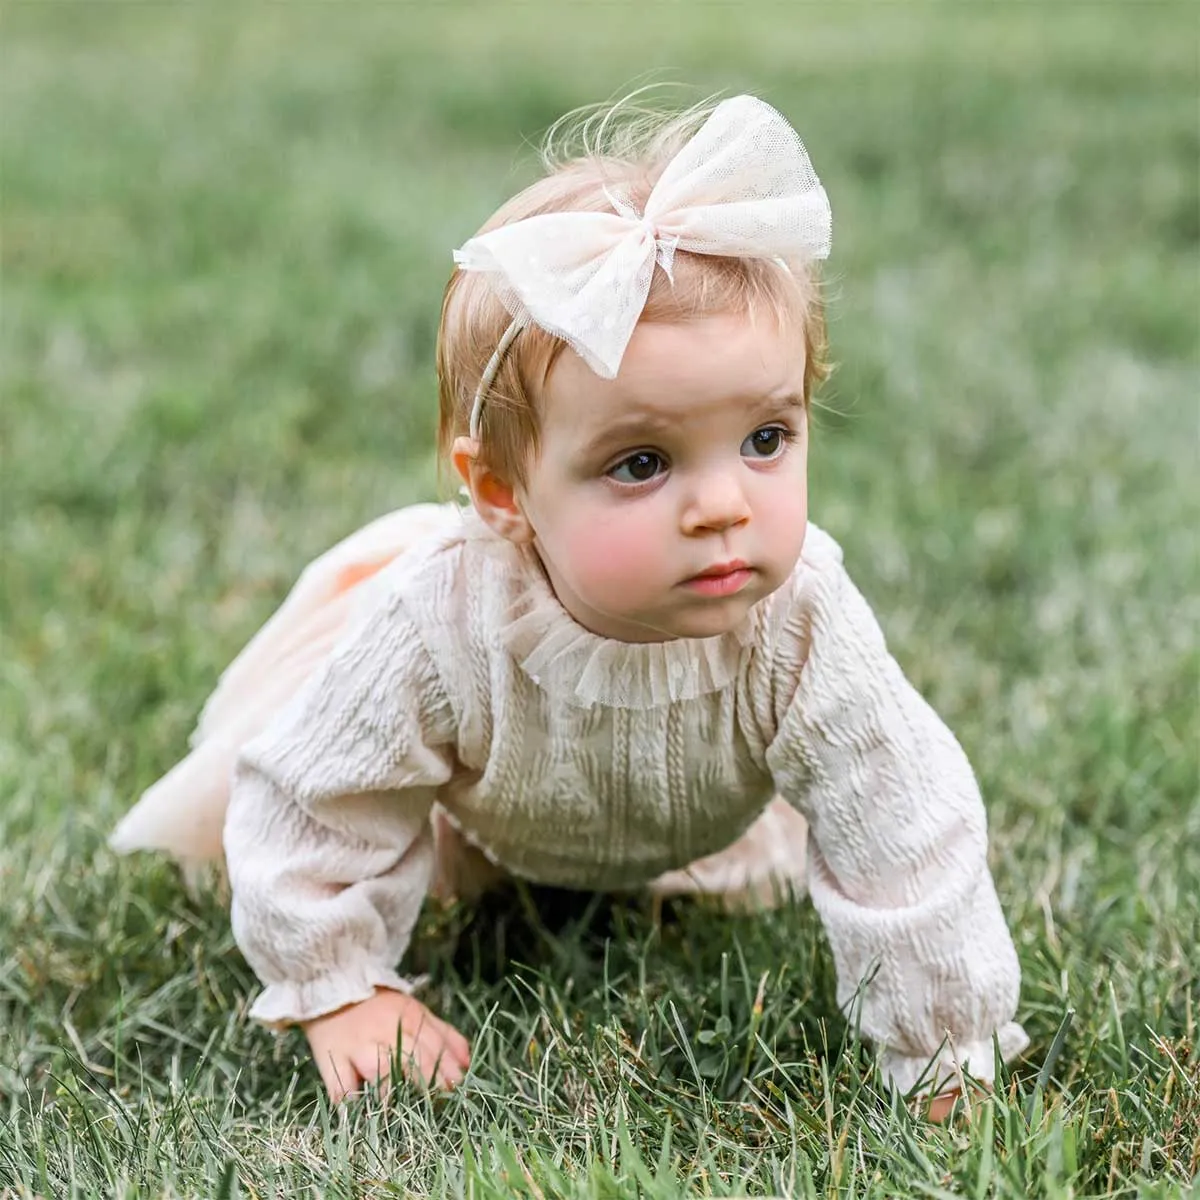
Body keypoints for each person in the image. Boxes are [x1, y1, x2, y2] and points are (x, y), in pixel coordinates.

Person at [110, 94, 1028, 1117]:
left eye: (766, 439)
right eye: (642, 462)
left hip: (699, 818)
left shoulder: (803, 622)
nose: (724, 505)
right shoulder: (445, 621)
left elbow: (905, 823)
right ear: (502, 492)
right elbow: (322, 794)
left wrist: (946, 1051)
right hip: (489, 814)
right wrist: (341, 988)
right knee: (374, 801)